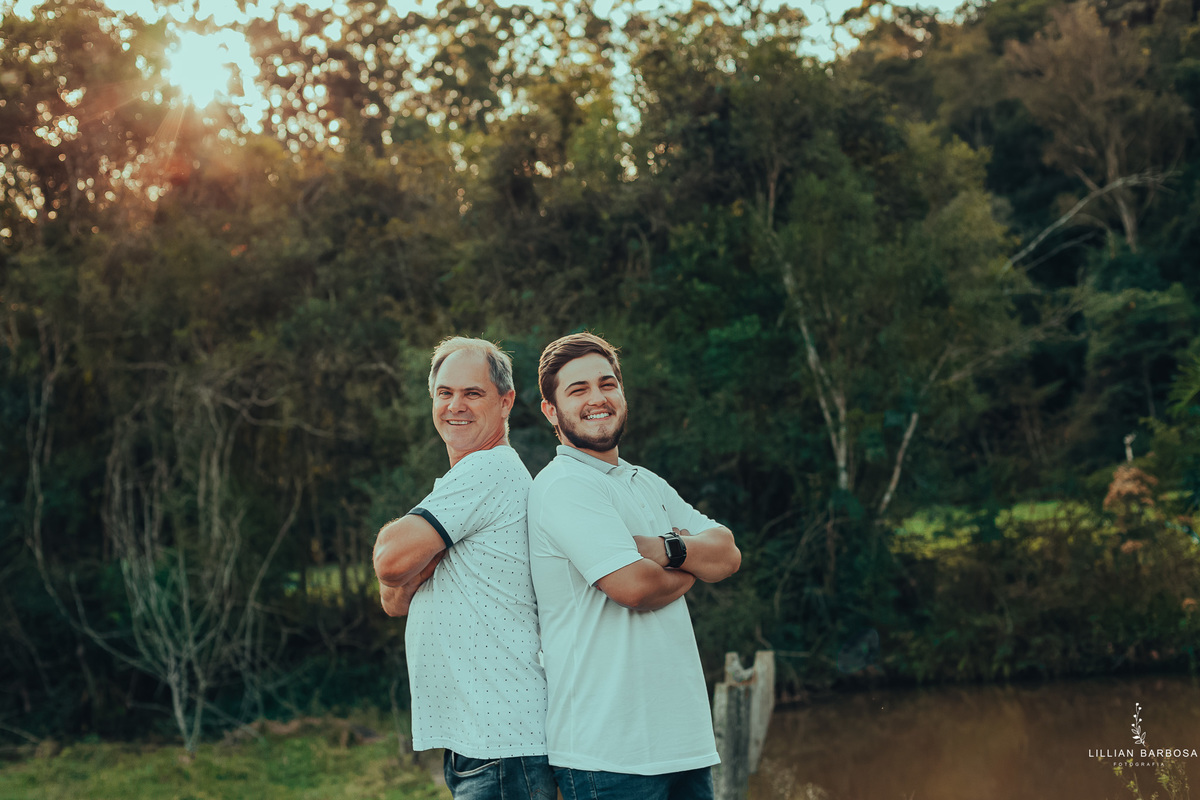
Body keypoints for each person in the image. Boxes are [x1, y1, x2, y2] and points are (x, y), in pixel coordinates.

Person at [528, 332, 742, 800]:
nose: (597, 398)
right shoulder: (564, 484)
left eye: (607, 384)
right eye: (578, 389)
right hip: (608, 757)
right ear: (551, 411)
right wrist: (692, 562)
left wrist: (666, 550)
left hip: (684, 749)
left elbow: (727, 554)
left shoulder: (645, 482)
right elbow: (635, 588)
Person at [372, 336, 554, 800]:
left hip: (503, 742)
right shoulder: (462, 483)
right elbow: (393, 599)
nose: (456, 406)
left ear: (506, 402)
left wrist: (414, 561)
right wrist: (414, 564)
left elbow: (389, 561)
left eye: (473, 393)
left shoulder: (489, 470)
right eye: (445, 393)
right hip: (480, 743)